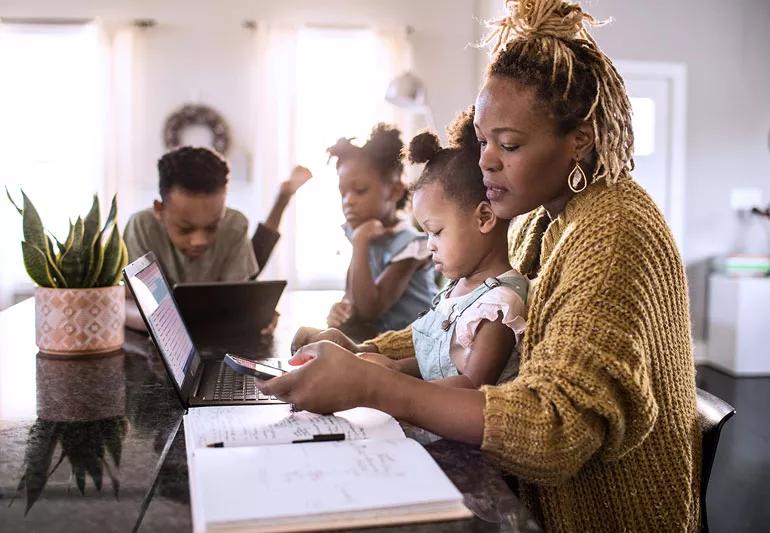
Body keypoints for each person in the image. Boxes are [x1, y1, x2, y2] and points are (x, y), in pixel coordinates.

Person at [260, 1, 701, 531]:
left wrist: (373, 385)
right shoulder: (550, 218)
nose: (486, 160)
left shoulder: (613, 235)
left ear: (579, 140)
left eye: (509, 144)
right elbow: (469, 318)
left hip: (603, 517)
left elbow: (555, 430)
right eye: (483, 141)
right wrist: (363, 352)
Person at [361, 108, 527, 388]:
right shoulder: (457, 289)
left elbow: (470, 386)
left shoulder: (499, 305)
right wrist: (392, 366)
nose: (430, 246)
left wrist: (387, 382)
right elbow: (437, 362)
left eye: (436, 232)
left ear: (484, 218)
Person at [124, 146, 311, 331]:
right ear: (159, 210)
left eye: (212, 227)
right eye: (185, 229)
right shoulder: (141, 226)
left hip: (219, 320)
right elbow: (125, 304)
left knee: (253, 263)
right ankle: (283, 197)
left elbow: (238, 296)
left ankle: (283, 198)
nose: (199, 241)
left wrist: (253, 311)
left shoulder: (235, 223)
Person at [326, 124, 437, 337]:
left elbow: (370, 310)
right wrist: (341, 310)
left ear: (394, 191)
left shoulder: (412, 245)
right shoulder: (362, 233)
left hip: (415, 347)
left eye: (359, 190)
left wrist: (360, 243)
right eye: (343, 193)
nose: (348, 201)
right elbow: (354, 300)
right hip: (377, 343)